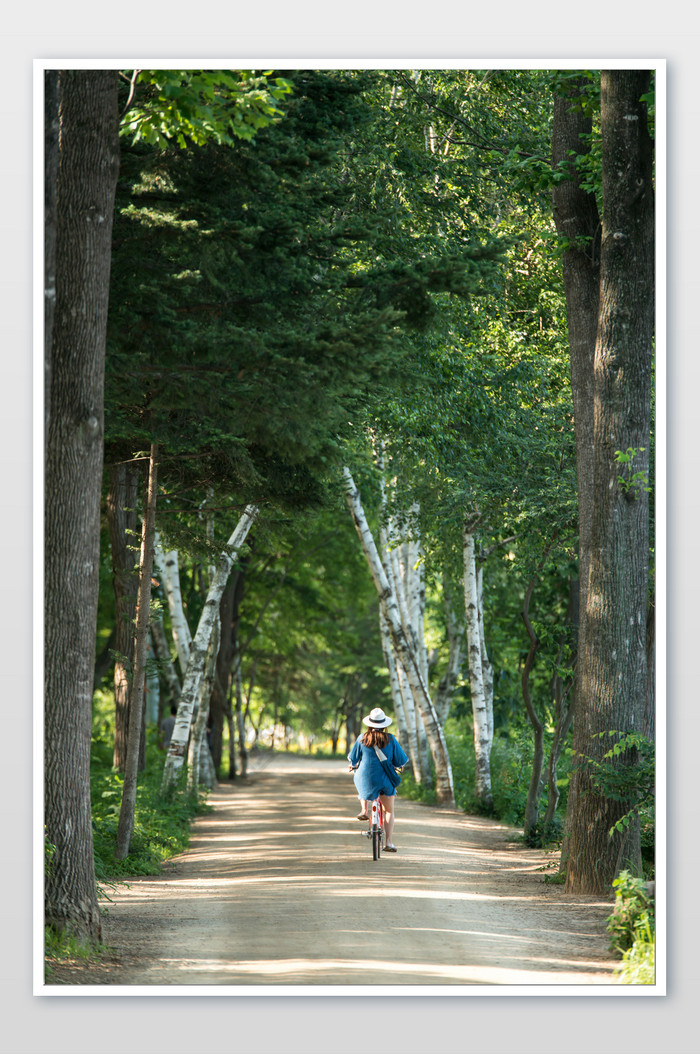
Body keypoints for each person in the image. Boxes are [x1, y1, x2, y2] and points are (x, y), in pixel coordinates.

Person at [347, 707, 409, 853]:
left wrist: (352, 765)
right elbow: (400, 760)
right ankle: (388, 842)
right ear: (384, 725)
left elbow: (353, 758)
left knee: (361, 780)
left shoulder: (362, 738)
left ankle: (363, 809)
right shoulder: (391, 739)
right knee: (389, 811)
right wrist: (399, 766)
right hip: (385, 781)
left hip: (366, 780)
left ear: (369, 724)